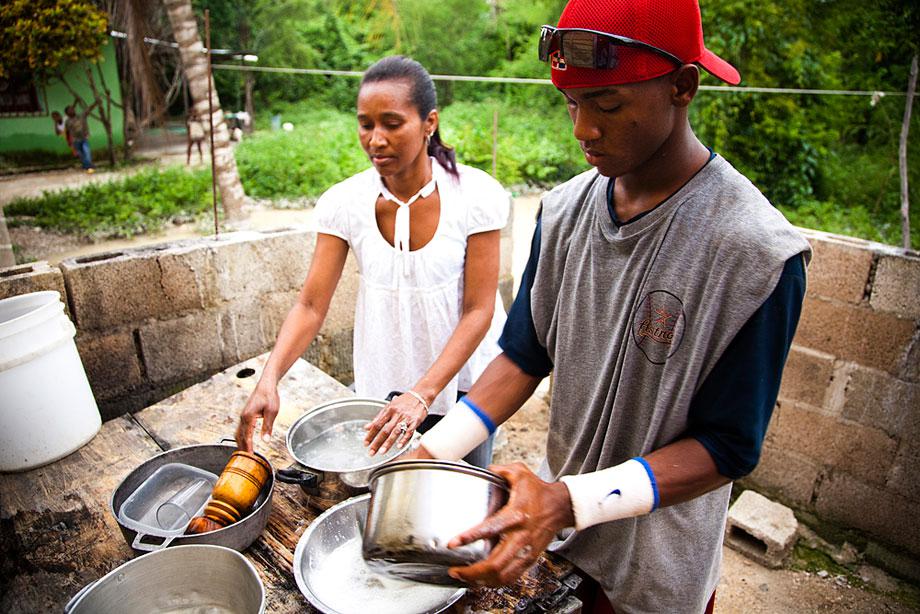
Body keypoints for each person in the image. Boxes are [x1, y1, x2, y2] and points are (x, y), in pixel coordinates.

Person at [410, 1, 812, 612]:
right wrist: (432, 453)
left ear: (683, 85)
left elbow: (728, 447)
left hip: (654, 570)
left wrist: (568, 499)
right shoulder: (565, 210)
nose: (581, 130)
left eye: (608, 104)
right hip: (554, 541)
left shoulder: (755, 254)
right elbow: (526, 352)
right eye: (572, 103)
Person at [235, 56, 510, 468]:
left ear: (429, 122)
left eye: (392, 123)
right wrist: (269, 379)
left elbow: (478, 311)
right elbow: (310, 305)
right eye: (366, 124)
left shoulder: (474, 195)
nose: (376, 139)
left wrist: (423, 394)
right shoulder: (345, 202)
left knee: (462, 494)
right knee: (394, 493)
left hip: (465, 384)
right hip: (387, 382)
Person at [65, 99, 99, 173]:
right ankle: (86, 166)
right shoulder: (67, 122)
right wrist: (69, 142)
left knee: (87, 152)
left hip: (84, 138)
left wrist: (95, 103)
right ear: (67, 113)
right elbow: (67, 132)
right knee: (81, 155)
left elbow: (88, 109)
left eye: (73, 109)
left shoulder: (81, 116)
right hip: (75, 140)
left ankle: (89, 167)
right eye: (70, 110)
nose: (72, 110)